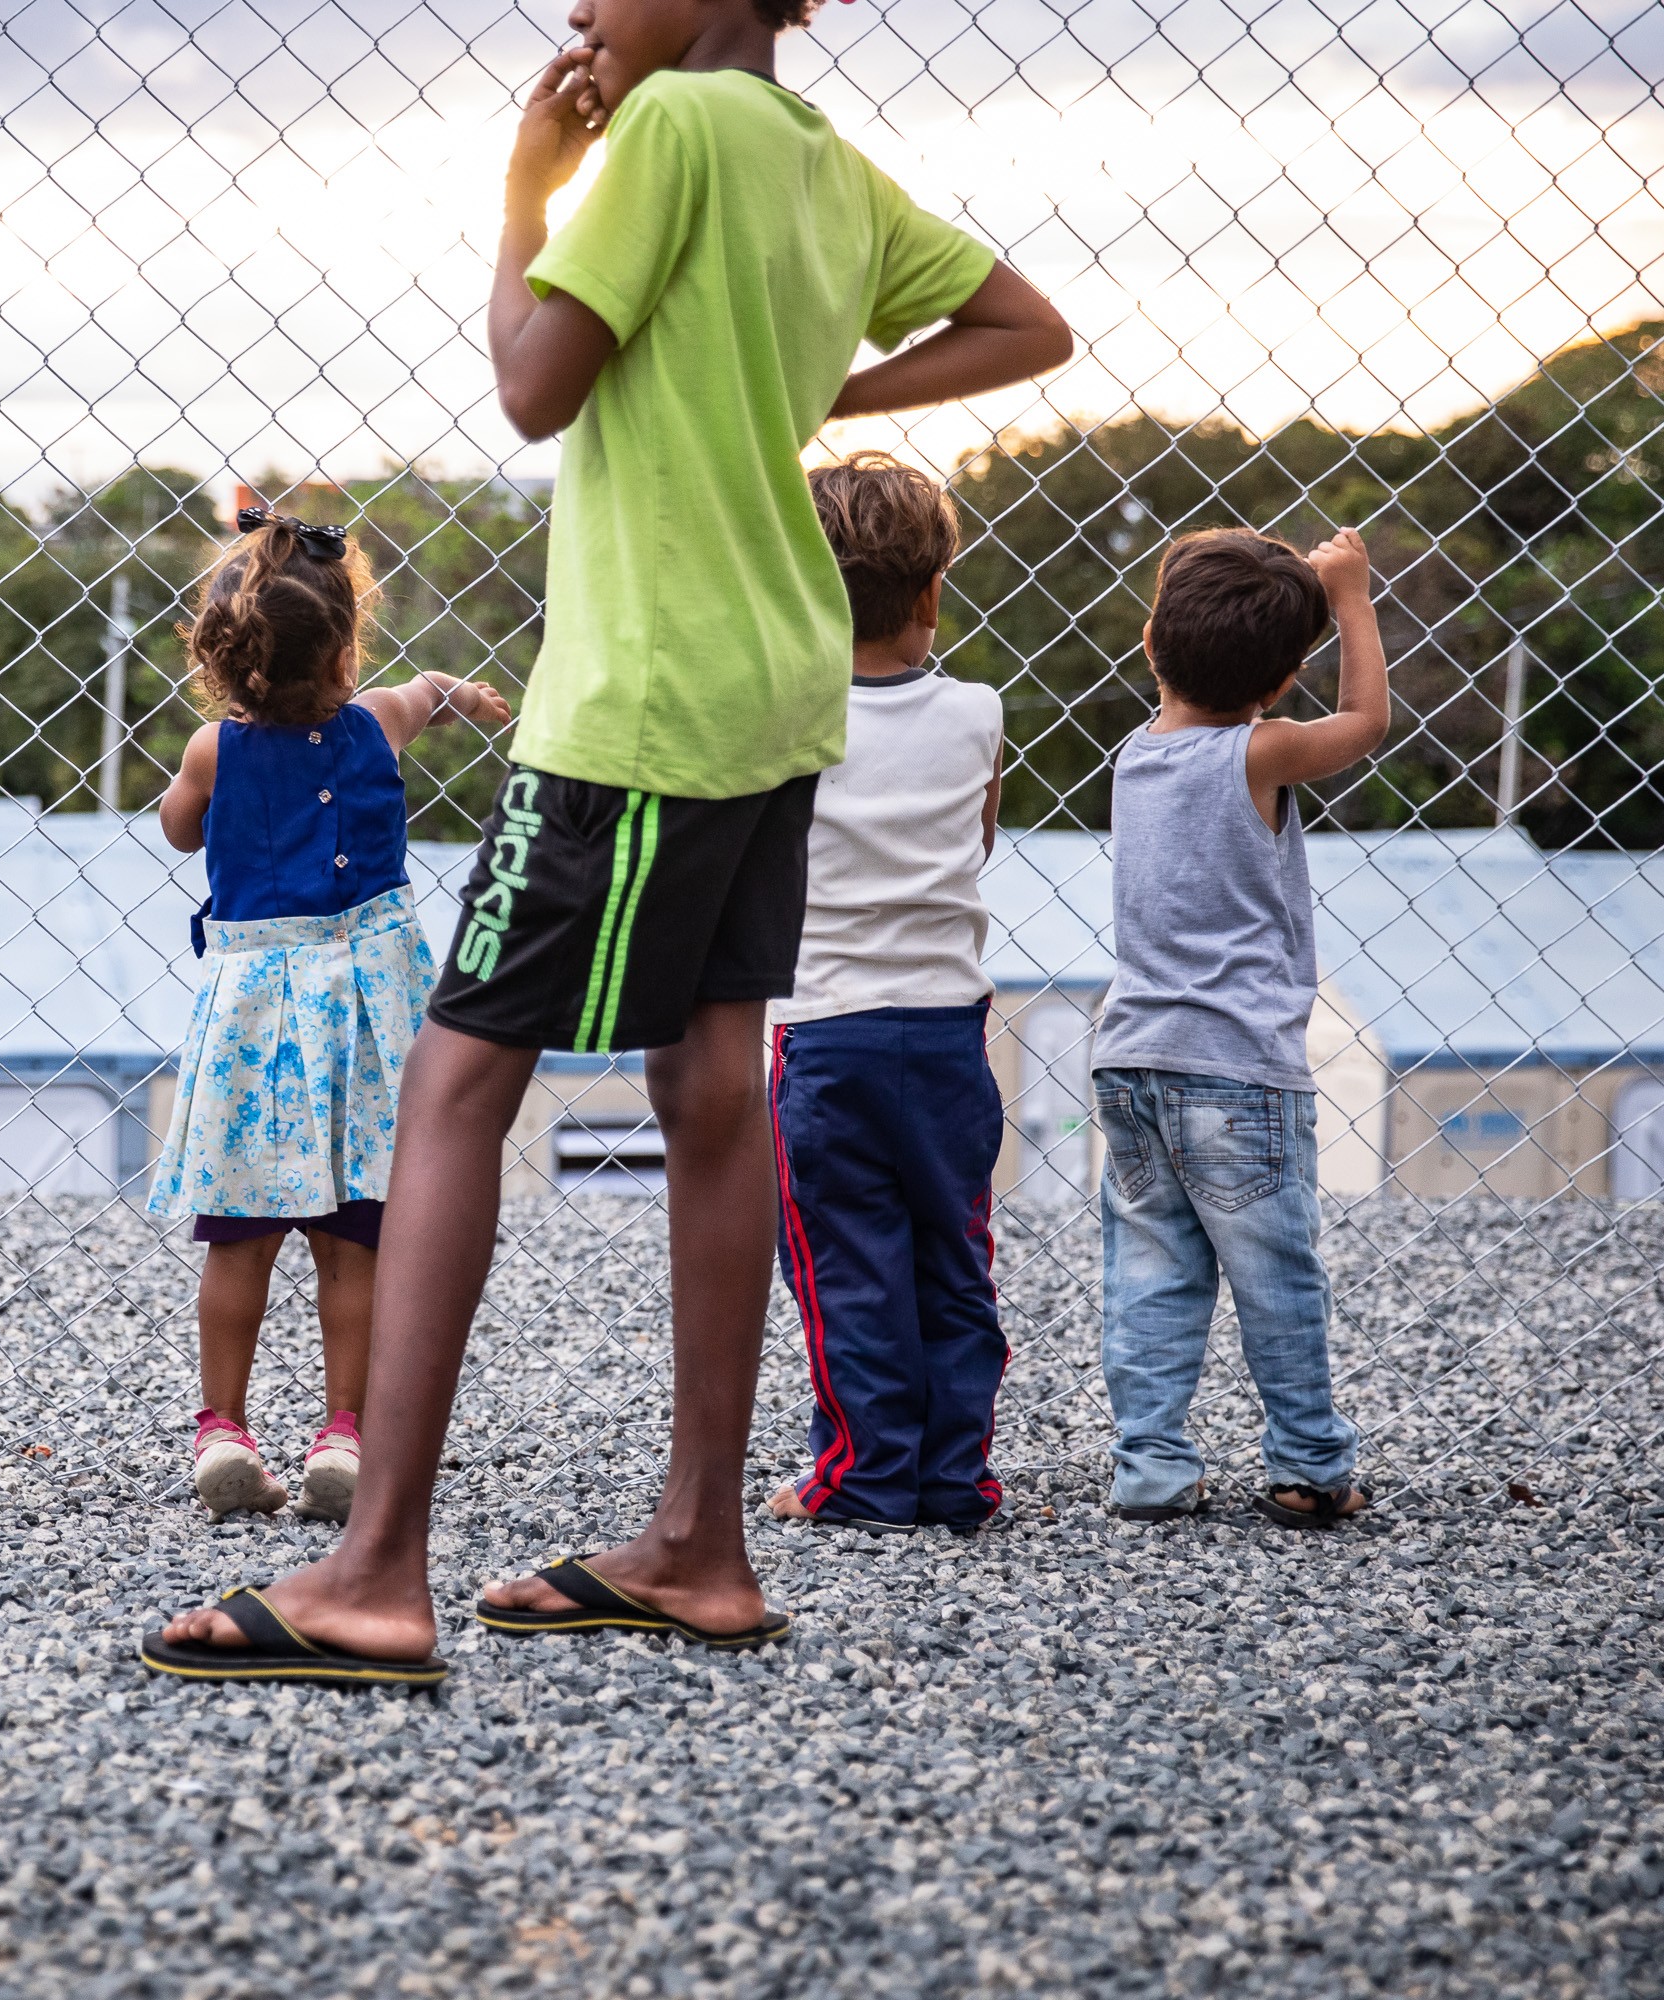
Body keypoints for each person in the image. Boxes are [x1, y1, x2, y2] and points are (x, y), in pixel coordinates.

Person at [147, 0, 1071, 1685]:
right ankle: (699, 1547)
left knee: (452, 1082)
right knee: (711, 1092)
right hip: (776, 691)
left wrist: (525, 192)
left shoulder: (664, 134)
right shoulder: (825, 165)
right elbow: (1029, 324)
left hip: (637, 714)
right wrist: (808, 388)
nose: (576, 10)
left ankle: (372, 1572)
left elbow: (528, 386)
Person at [140, 507, 510, 1526]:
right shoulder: (378, 721)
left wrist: (195, 784)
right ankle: (344, 1432)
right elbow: (429, 691)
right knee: (354, 1238)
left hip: (258, 1016)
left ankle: (223, 1424)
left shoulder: (214, 750)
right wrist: (464, 696)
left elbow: (177, 830)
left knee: (239, 1240)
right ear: (348, 652)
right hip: (364, 1013)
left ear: (221, 664)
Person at [1090, 528, 1385, 1530]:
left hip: (1130, 1061)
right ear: (1284, 678)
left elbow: (1193, 633)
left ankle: (1152, 1466)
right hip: (1240, 1076)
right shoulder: (1264, 751)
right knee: (1275, 1280)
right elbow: (1365, 718)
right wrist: (1348, 591)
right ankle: (1307, 1463)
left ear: (1149, 645)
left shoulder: (1134, 755)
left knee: (1149, 1274)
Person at [762, 454, 1009, 1535]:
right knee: (953, 1255)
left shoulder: (781, 720)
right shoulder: (979, 711)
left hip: (825, 1032)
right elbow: (980, 836)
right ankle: (956, 1476)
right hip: (949, 1030)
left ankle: (863, 1474)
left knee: (846, 1263)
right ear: (931, 594)